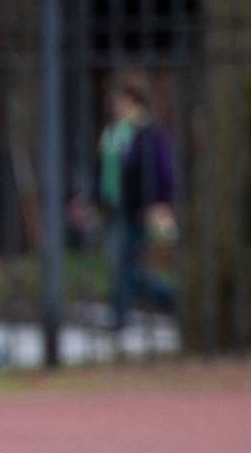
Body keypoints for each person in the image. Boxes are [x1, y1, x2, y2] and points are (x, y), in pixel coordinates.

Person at [70, 68, 177, 330]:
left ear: (132, 99)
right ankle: (162, 304)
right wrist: (86, 199)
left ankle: (125, 317)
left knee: (120, 263)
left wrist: (158, 204)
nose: (112, 103)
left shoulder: (148, 133)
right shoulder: (113, 134)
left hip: (138, 210)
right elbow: (103, 173)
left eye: (117, 98)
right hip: (113, 209)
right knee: (120, 264)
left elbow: (164, 173)